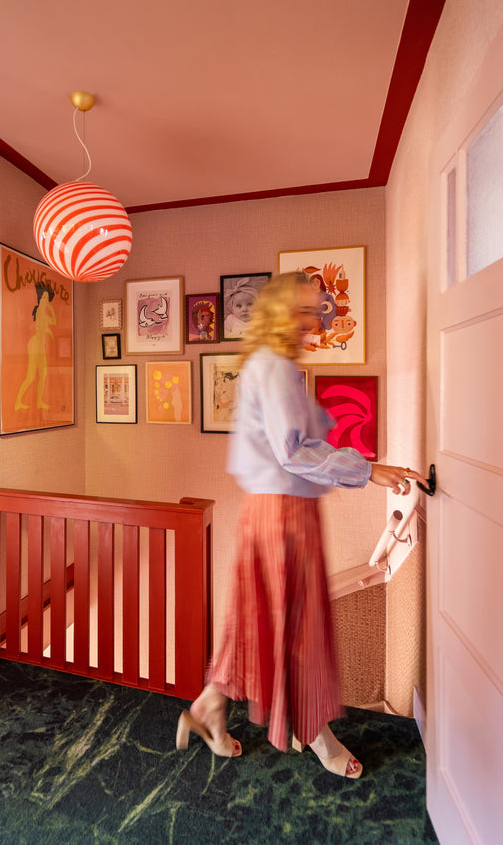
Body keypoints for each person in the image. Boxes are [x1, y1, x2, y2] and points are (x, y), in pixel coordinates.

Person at [176, 271, 425, 777]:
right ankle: (314, 732)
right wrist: (368, 471)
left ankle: (208, 708)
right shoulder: (273, 368)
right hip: (282, 514)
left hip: (272, 509)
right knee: (297, 626)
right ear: (282, 312)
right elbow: (292, 452)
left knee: (258, 617)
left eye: (316, 310)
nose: (315, 320)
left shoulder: (271, 364)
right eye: (306, 310)